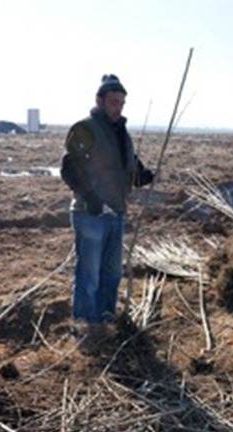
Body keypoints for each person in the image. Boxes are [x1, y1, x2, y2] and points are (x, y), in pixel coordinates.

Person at [60, 75, 155, 335]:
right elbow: (69, 168)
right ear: (99, 100)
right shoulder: (85, 128)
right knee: (89, 273)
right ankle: (84, 325)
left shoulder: (123, 134)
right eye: (114, 102)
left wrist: (142, 176)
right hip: (90, 214)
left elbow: (130, 167)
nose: (118, 107)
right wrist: (90, 197)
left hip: (117, 213)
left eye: (122, 103)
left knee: (112, 272)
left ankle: (104, 320)